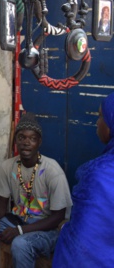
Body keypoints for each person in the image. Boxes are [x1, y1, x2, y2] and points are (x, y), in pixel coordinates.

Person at [0, 113, 72, 268]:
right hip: (16, 222)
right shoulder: (8, 166)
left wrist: (20, 230)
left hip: (47, 230)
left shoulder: (52, 171)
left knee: (20, 244)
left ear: (39, 142)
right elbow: (2, 202)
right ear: (16, 141)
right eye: (21, 137)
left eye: (32, 138)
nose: (26, 142)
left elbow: (58, 217)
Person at [52, 92, 114, 267]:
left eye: (101, 116)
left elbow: (83, 244)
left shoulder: (99, 175)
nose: (97, 122)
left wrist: (65, 229)